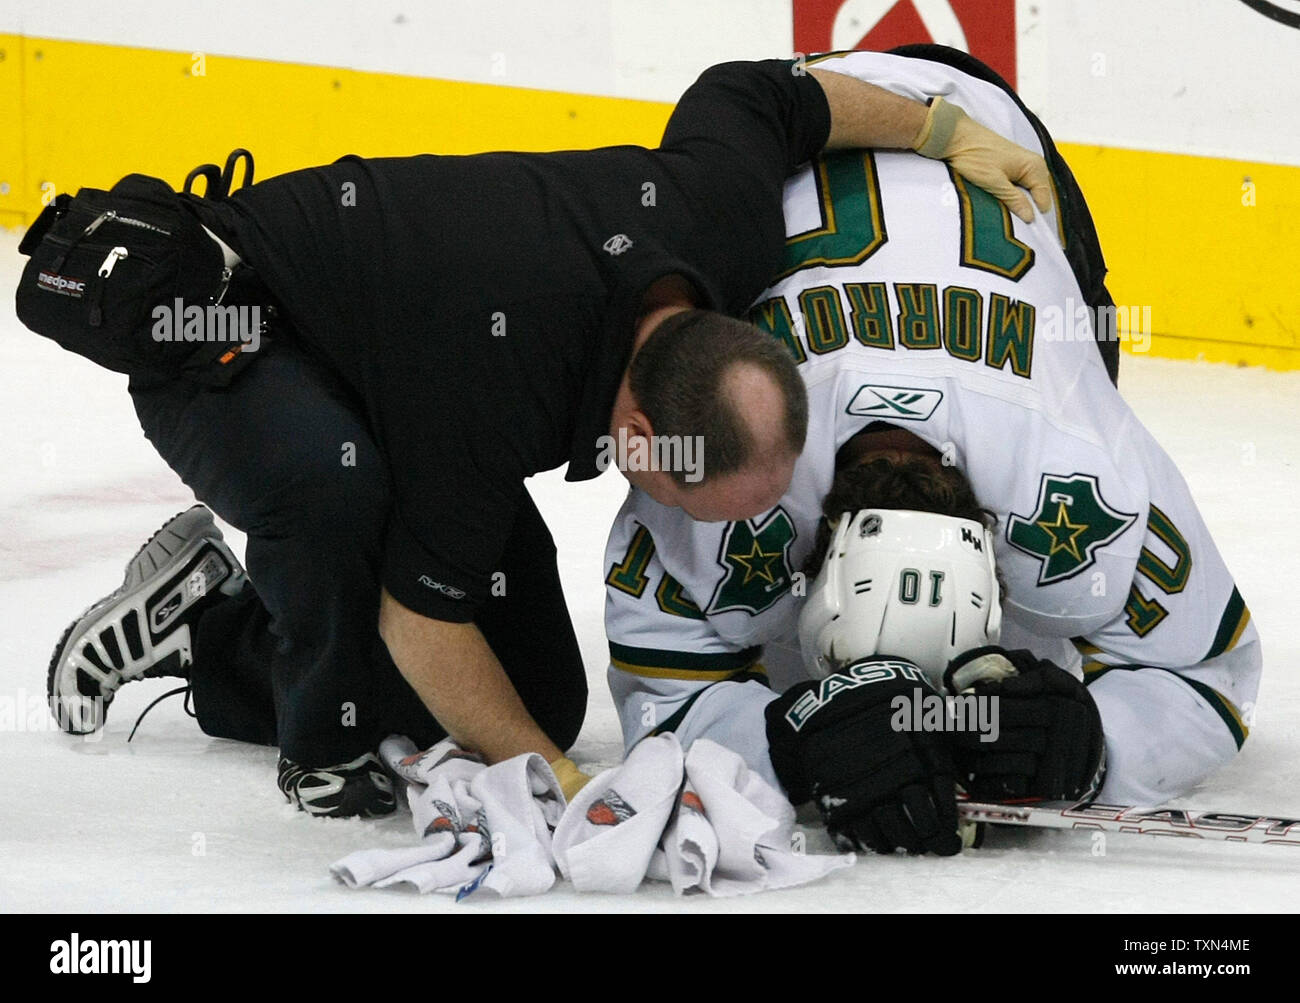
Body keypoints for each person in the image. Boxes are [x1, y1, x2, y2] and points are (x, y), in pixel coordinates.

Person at [45, 56, 1054, 818]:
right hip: (232, 340)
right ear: (633, 434)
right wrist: (572, 791)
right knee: (336, 493)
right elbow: (422, 620)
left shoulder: (719, 223)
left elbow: (757, 95)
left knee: (532, 702)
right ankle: (319, 745)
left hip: (395, 347)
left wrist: (942, 128)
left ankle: (211, 622)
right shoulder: (491, 389)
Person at [601, 46, 1261, 855]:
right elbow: (1209, 674)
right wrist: (795, 741)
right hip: (815, 111)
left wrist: (1085, 740)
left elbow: (663, 691)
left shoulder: (1073, 447)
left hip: (968, 128)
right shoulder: (1082, 471)